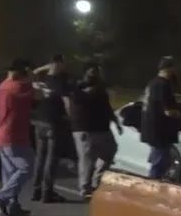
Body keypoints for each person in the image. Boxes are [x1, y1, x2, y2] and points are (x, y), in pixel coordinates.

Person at [0, 59, 36, 216]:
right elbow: (39, 94)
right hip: (13, 136)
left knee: (10, 173)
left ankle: (12, 206)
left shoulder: (3, 86)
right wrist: (33, 78)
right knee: (26, 168)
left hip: (3, 134)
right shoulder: (17, 87)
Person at [70, 62, 122, 198]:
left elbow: (106, 105)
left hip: (102, 127)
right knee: (87, 159)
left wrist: (115, 121)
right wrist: (89, 91)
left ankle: (96, 180)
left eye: (97, 71)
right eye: (92, 71)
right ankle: (84, 188)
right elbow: (76, 100)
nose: (95, 74)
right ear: (85, 72)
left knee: (110, 151)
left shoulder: (100, 87)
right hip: (85, 128)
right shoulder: (78, 86)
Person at [31, 53, 71, 203]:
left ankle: (36, 191)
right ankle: (47, 192)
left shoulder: (42, 79)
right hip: (53, 121)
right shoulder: (61, 81)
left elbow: (32, 73)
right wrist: (70, 118)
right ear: (60, 64)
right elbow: (67, 102)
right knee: (51, 158)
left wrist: (46, 67)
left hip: (39, 120)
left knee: (40, 157)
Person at [142, 56, 181, 179]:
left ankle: (155, 182)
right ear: (169, 68)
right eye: (174, 67)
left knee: (161, 160)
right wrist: (179, 115)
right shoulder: (163, 85)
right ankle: (152, 184)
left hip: (152, 128)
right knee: (160, 163)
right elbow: (167, 111)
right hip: (160, 130)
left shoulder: (153, 83)